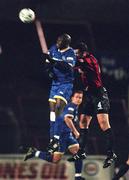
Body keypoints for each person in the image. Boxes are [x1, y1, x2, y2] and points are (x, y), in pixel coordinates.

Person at [24, 91, 85, 180]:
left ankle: (78, 177)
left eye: (80, 98)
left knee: (78, 153)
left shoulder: (75, 107)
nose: (79, 99)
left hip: (67, 135)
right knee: (55, 160)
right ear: (72, 98)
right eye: (77, 97)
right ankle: (34, 152)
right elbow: (67, 119)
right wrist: (75, 132)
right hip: (61, 136)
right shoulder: (71, 106)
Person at [74, 42, 117, 168]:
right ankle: (81, 151)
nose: (76, 54)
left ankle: (111, 153)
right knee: (83, 122)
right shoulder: (83, 59)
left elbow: (75, 64)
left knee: (103, 124)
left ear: (83, 52)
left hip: (99, 94)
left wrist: (56, 59)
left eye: (78, 53)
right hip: (89, 94)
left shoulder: (90, 60)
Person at [43, 33, 76, 140]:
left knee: (58, 108)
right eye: (58, 40)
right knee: (52, 111)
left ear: (66, 43)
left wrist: (54, 61)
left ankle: (57, 136)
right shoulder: (53, 49)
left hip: (65, 84)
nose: (58, 42)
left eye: (61, 41)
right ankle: (52, 136)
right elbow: (47, 64)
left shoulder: (70, 53)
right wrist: (49, 71)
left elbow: (68, 68)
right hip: (55, 84)